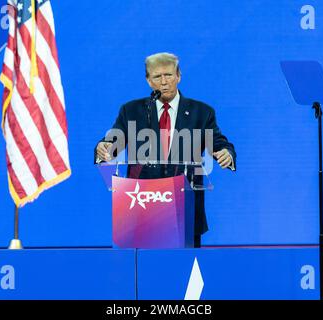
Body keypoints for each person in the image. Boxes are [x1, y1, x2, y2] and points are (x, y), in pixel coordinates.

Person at [95, 52, 236, 247]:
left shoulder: (201, 112)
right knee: (144, 273)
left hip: (184, 209)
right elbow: (114, 139)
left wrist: (225, 153)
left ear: (179, 76)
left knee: (183, 272)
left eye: (168, 75)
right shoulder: (132, 111)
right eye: (157, 77)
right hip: (142, 209)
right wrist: (105, 147)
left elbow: (218, 142)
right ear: (148, 81)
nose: (164, 82)